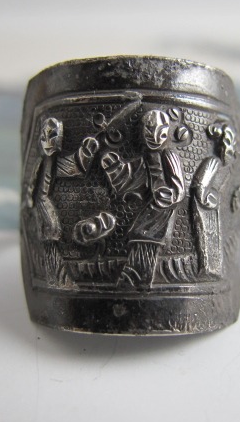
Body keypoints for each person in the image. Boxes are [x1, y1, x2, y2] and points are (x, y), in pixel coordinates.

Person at [115, 110, 186, 288]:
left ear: (165, 133)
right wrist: (117, 171)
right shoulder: (147, 155)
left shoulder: (168, 154)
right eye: (148, 132)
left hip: (163, 206)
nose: (153, 137)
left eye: (159, 132)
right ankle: (137, 274)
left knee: (145, 235)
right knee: (139, 233)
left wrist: (170, 195)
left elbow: (179, 187)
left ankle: (139, 276)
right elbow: (137, 176)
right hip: (152, 204)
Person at [26, 117, 99, 286]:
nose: (47, 141)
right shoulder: (41, 163)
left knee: (52, 231)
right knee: (51, 230)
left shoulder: (54, 162)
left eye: (52, 136)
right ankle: (55, 274)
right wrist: (29, 199)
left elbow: (72, 167)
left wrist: (86, 152)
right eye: (44, 136)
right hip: (42, 202)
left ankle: (56, 274)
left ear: (58, 140)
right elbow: (32, 183)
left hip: (45, 202)